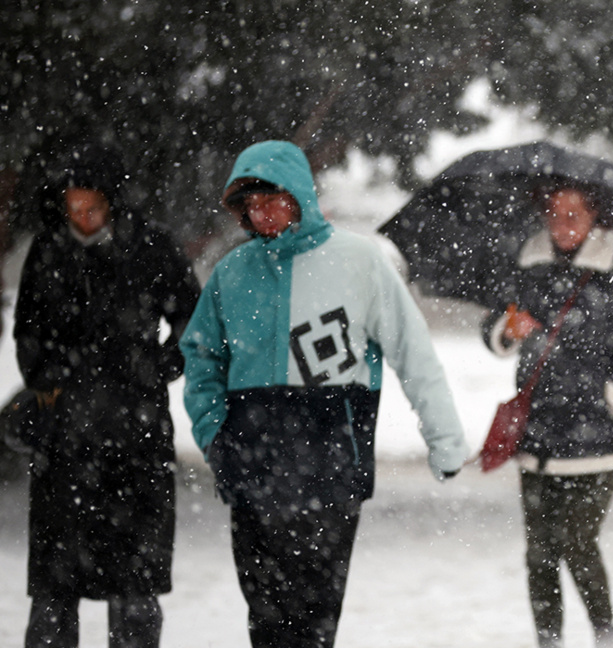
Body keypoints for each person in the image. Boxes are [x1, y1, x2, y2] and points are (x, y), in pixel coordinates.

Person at [180, 140, 469, 648]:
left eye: (272, 200)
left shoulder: (359, 262)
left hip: (330, 467)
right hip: (250, 465)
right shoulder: (232, 273)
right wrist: (214, 435)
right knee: (265, 619)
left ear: (299, 198)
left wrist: (445, 440)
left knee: (313, 622)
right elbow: (201, 358)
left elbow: (414, 353)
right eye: (251, 205)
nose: (262, 214)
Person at [14, 143, 201, 648]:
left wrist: (159, 365)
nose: (82, 216)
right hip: (64, 444)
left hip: (137, 441)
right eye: (73, 206)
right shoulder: (48, 250)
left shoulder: (153, 247)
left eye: (92, 206)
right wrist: (48, 383)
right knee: (53, 595)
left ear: (113, 203)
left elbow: (192, 318)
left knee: (135, 593)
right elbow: (26, 331)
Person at [482, 183, 613, 647]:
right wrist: (504, 329)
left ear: (597, 219)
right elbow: (493, 323)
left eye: (575, 214)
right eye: (554, 213)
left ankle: (607, 635)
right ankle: (547, 639)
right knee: (538, 553)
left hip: (601, 436)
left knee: (575, 540)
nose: (563, 224)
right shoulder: (527, 266)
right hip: (539, 431)